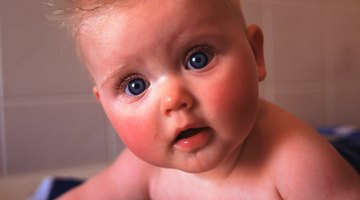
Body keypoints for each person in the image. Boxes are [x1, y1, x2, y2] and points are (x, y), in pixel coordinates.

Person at [46, 0, 360, 199]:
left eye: (197, 59)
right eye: (135, 85)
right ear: (104, 106)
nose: (173, 100)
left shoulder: (296, 161)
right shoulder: (142, 168)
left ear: (255, 54)